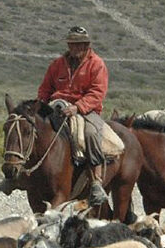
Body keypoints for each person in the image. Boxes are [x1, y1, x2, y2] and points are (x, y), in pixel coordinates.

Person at [37, 26, 109, 207]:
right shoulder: (57, 64)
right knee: (31, 127)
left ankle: (96, 182)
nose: (74, 48)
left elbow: (97, 92)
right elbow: (45, 88)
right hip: (57, 106)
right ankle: (19, 174)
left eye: (78, 45)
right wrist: (40, 105)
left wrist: (78, 107)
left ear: (86, 45)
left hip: (86, 110)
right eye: (72, 44)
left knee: (92, 133)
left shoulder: (96, 64)